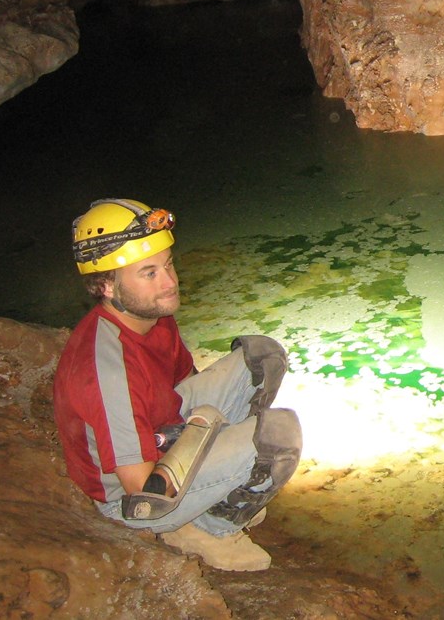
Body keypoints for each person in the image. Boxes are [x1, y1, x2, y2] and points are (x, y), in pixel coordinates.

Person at [52, 198, 301, 571]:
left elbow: (185, 381)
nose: (169, 283)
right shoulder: (106, 371)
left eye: (168, 265)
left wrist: (204, 434)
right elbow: (143, 488)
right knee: (279, 435)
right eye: (149, 273)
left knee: (263, 357)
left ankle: (220, 484)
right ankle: (206, 526)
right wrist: (201, 433)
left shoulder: (149, 313)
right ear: (106, 285)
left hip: (160, 431)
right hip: (133, 498)